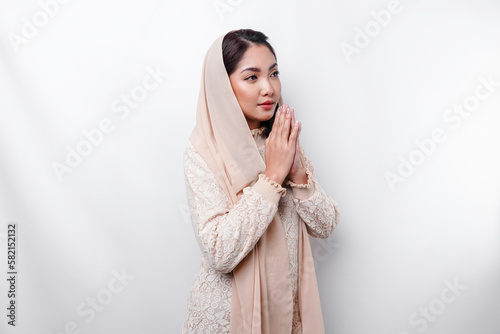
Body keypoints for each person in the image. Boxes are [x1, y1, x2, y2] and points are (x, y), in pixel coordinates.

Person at [182, 29, 340, 334]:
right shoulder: (203, 152)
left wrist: (298, 175)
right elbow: (219, 253)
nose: (269, 88)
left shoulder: (282, 140)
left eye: (274, 73)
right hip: (228, 317)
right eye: (251, 77)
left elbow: (325, 225)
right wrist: (272, 177)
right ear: (222, 86)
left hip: (285, 310)